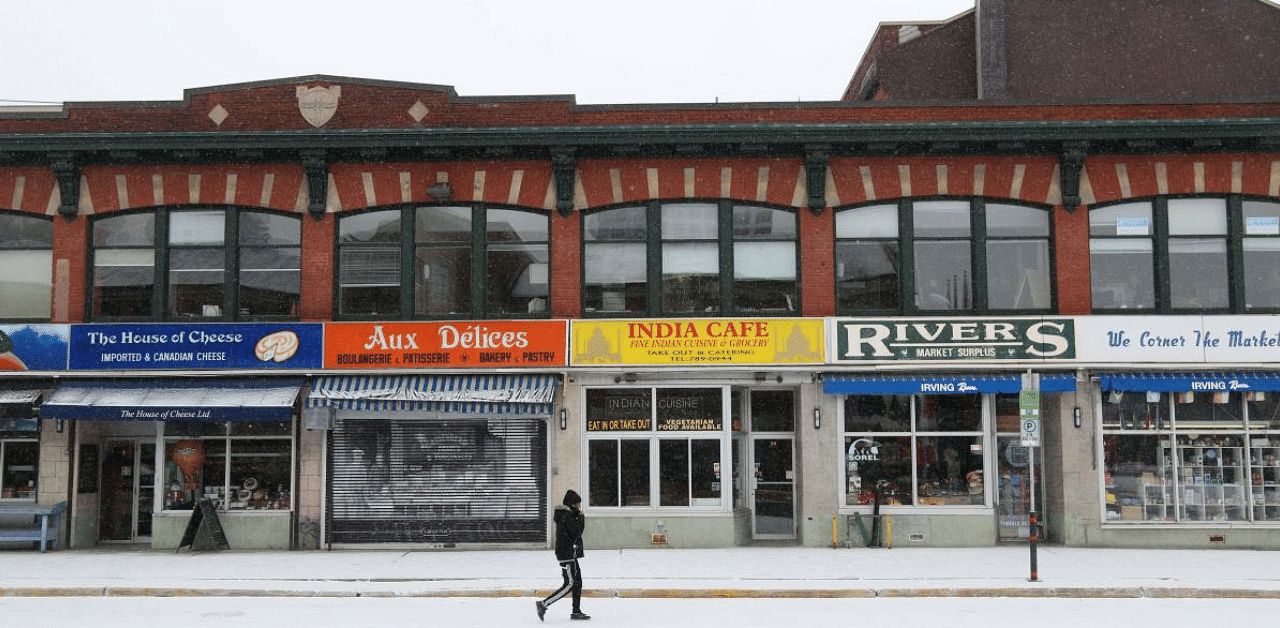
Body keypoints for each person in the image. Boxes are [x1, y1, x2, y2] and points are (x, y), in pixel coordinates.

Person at [536, 490, 589, 621]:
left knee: (578, 582)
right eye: (577, 504)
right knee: (570, 584)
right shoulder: (567, 516)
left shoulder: (567, 515)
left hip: (570, 554)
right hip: (567, 554)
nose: (578, 507)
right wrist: (581, 518)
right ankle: (543, 604)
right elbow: (577, 532)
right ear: (571, 504)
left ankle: (576, 611)